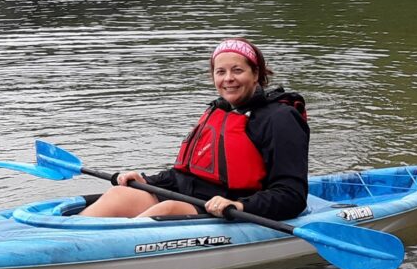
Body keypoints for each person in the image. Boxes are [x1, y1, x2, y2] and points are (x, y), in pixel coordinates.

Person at [79, 37, 309, 221]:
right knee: (121, 194)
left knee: (169, 209)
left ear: (256, 74)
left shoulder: (281, 118)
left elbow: (292, 196)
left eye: (237, 70)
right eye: (221, 72)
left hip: (233, 208)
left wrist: (240, 205)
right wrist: (147, 181)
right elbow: (185, 176)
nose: (228, 79)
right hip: (195, 199)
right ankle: (65, 235)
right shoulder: (219, 112)